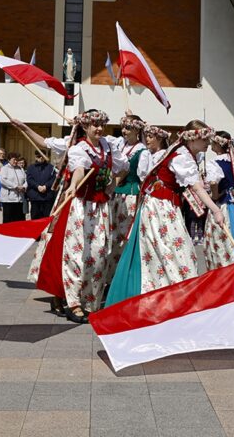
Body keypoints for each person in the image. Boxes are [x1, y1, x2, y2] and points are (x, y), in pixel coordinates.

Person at [107, 120, 224, 308]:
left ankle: (173, 297)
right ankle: (175, 300)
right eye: (205, 139)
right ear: (193, 140)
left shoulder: (182, 153)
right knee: (175, 252)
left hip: (164, 206)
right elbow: (195, 186)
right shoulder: (182, 156)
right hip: (160, 207)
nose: (208, 144)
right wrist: (216, 210)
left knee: (170, 252)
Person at [60, 110, 129, 323]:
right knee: (78, 254)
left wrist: (111, 186)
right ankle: (72, 302)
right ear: (85, 127)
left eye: (101, 124)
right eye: (94, 125)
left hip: (101, 208)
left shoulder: (108, 147)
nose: (98, 129)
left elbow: (123, 167)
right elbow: (80, 170)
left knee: (100, 254)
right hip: (82, 206)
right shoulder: (79, 149)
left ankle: (91, 301)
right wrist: (73, 186)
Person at [204, 131, 234, 270]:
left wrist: (215, 195)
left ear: (218, 145)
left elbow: (213, 182)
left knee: (223, 238)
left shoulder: (214, 163)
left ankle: (227, 267)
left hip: (224, 203)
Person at [109, 113, 150, 266]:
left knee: (125, 235)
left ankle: (124, 269)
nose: (124, 131)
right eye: (123, 128)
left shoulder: (142, 151)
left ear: (137, 130)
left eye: (128, 128)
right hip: (115, 195)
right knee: (113, 236)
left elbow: (143, 179)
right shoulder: (120, 145)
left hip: (131, 195)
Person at [26, 151, 56, 220]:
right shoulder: (31, 167)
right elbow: (29, 179)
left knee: (46, 217)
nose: (41, 158)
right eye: (38, 156)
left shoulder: (51, 167)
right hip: (35, 196)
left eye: (42, 156)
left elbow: (53, 179)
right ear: (35, 157)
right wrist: (37, 186)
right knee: (35, 217)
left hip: (47, 196)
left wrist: (46, 186)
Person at [0, 152, 27, 223]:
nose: (16, 161)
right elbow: (3, 180)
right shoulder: (4, 169)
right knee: (8, 220)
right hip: (8, 199)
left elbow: (26, 180)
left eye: (17, 159)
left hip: (19, 199)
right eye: (14, 159)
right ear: (9, 160)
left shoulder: (21, 169)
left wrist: (24, 187)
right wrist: (15, 186)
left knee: (18, 220)